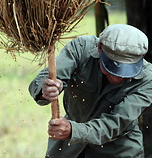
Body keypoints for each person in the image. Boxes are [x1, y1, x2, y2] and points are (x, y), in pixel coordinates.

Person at [29, 24, 152, 158]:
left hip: (118, 150)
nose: (118, 78)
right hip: (68, 148)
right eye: (112, 68)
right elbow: (42, 80)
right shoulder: (81, 49)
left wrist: (73, 131)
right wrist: (46, 89)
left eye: (127, 72)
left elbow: (114, 123)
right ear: (100, 48)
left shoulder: (147, 79)